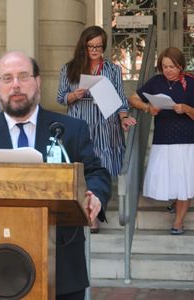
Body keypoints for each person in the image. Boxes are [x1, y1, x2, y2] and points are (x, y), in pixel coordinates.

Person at [0, 51, 111, 300]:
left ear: (38, 81)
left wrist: (95, 195)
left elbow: (96, 172)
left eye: (23, 76)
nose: (15, 84)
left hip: (62, 266)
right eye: (7, 78)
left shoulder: (70, 130)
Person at [56, 25, 136, 233]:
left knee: (103, 169)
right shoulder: (69, 68)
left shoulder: (112, 70)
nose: (94, 51)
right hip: (80, 124)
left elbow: (120, 99)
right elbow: (60, 97)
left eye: (99, 47)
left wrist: (124, 117)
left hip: (105, 125)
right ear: (83, 46)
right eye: (91, 46)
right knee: (82, 169)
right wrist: (74, 95)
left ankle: (95, 214)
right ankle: (87, 210)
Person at [129, 47, 194, 235]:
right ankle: (176, 201)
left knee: (184, 180)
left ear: (180, 66)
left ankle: (178, 222)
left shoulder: (191, 83)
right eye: (164, 66)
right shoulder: (156, 82)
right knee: (172, 176)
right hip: (163, 139)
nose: (168, 70)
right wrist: (148, 108)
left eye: (172, 66)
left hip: (187, 140)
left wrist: (186, 108)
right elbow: (132, 98)